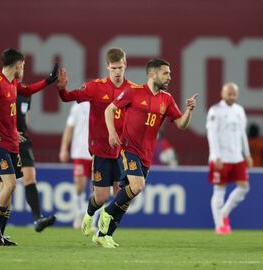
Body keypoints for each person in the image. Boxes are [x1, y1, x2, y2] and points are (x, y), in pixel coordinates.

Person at [100, 58, 197, 248]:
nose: (169, 76)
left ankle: (104, 234)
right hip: (128, 148)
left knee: (128, 196)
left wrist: (189, 110)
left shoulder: (167, 99)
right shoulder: (133, 91)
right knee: (138, 186)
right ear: (152, 74)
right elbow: (109, 110)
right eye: (165, 73)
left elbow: (181, 124)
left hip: (146, 154)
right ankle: (108, 211)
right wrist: (112, 133)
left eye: (169, 73)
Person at [0, 48, 58, 246]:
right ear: (18, 64)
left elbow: (28, 90)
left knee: (8, 187)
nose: (24, 69)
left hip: (12, 144)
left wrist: (48, 80)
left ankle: (0, 234)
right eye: (24, 65)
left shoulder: (12, 82)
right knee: (10, 183)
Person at [57, 48, 136, 248]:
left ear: (125, 65)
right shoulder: (96, 87)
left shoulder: (133, 90)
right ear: (108, 66)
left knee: (123, 194)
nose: (118, 71)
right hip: (101, 150)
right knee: (101, 197)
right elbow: (68, 97)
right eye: (114, 68)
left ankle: (105, 232)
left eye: (121, 67)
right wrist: (61, 89)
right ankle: (90, 213)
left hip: (122, 151)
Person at [206, 82, 253, 234]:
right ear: (222, 93)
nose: (231, 96)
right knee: (219, 190)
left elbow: (242, 134)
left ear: (237, 95)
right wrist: (216, 155)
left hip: (237, 157)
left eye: (234, 94)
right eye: (229, 93)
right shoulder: (215, 111)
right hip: (221, 158)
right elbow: (211, 135)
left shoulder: (240, 111)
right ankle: (219, 225)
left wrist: (247, 154)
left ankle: (223, 214)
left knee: (244, 187)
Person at [15, 94, 57, 231]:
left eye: (22, 69)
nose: (20, 70)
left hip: (22, 140)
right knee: (0, 182)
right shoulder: (0, 87)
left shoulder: (26, 94)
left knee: (30, 177)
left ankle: (38, 218)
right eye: (19, 69)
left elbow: (25, 116)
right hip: (4, 139)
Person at [59, 102, 92, 229]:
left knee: (97, 187)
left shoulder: (104, 103)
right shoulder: (78, 105)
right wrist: (63, 149)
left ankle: (91, 219)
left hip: (97, 152)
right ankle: (79, 213)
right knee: (80, 186)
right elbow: (69, 128)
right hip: (80, 151)